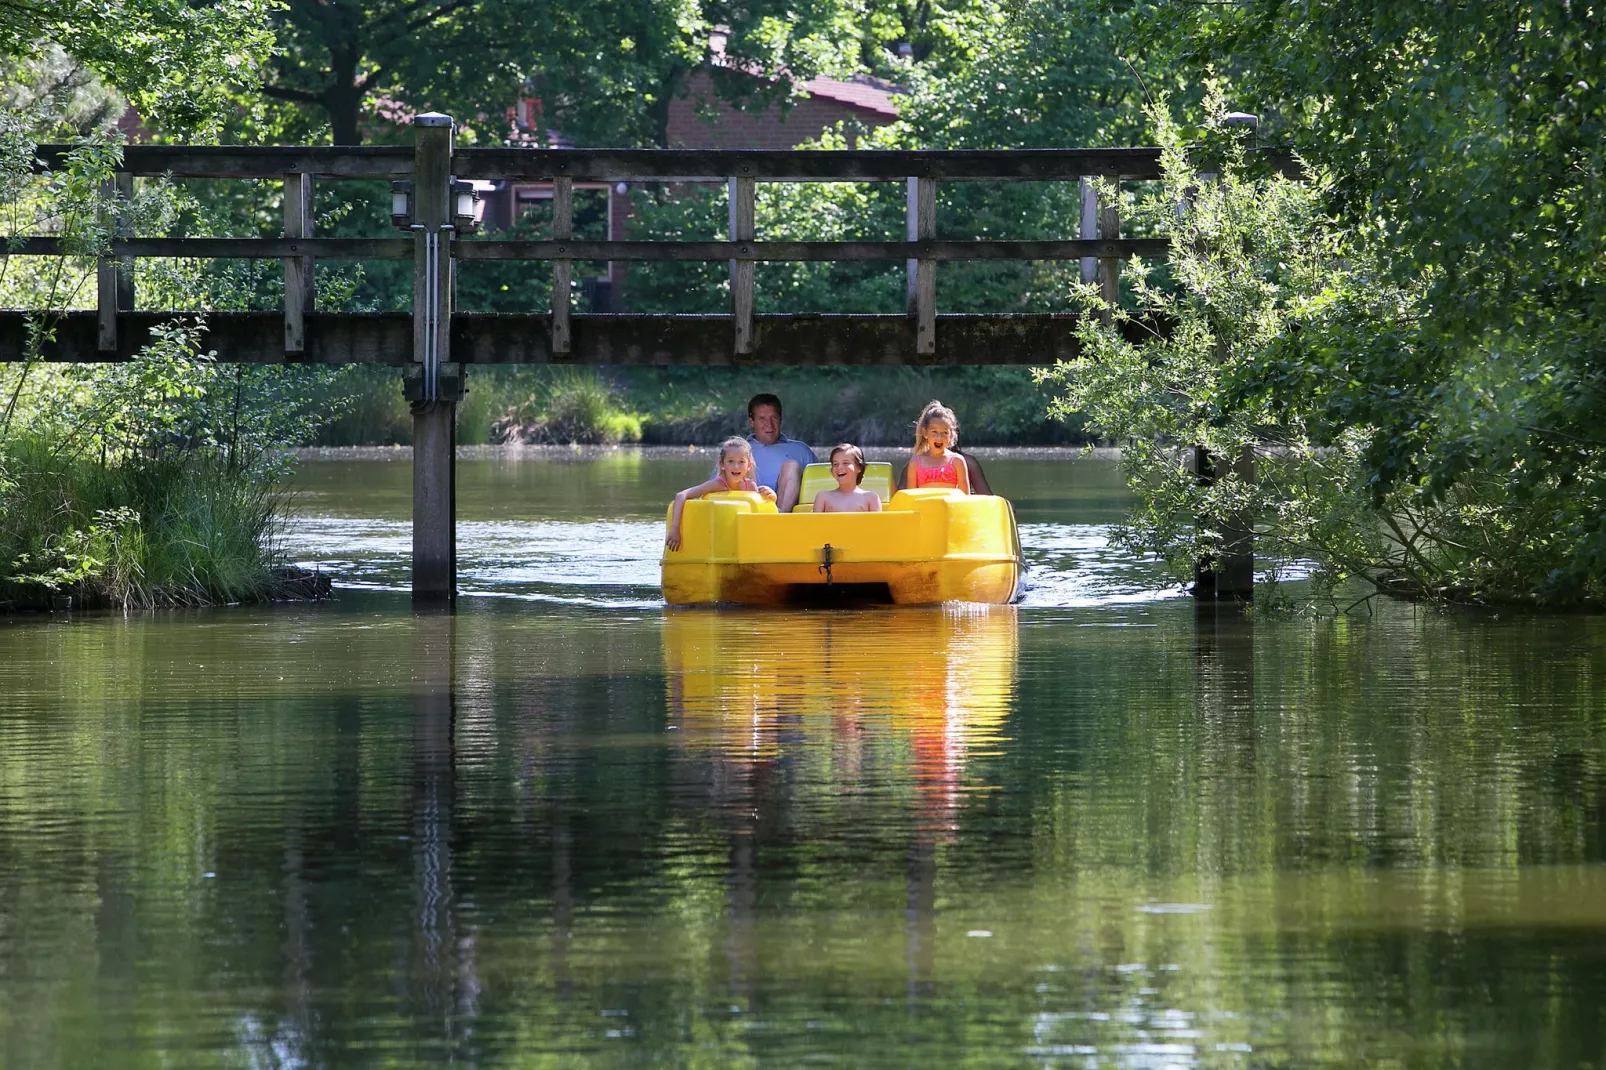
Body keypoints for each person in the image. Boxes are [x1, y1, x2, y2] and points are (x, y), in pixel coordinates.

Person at [666, 436, 776, 551]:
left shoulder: (751, 486)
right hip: (718, 541)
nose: (736, 466)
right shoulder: (718, 484)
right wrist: (675, 528)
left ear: (749, 465)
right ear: (722, 464)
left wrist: (772, 497)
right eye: (731, 461)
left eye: (741, 462)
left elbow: (760, 515)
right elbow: (681, 495)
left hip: (741, 544)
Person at [714, 393, 816, 513]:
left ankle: (779, 516)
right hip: (748, 513)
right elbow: (716, 488)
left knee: (791, 465)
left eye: (774, 418)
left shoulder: (802, 451)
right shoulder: (736, 451)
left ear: (780, 419)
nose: (769, 424)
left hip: (787, 518)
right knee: (738, 461)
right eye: (762, 418)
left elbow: (819, 492)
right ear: (752, 422)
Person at [903, 400, 971, 494]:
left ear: (951, 436)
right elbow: (910, 498)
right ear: (925, 433)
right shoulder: (915, 463)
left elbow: (965, 498)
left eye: (945, 433)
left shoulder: (957, 461)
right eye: (934, 432)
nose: (939, 437)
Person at [813, 444, 883, 513]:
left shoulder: (871, 498)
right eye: (835, 464)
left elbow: (877, 524)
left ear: (859, 468)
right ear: (832, 471)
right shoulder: (823, 497)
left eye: (845, 463)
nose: (840, 467)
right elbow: (814, 524)